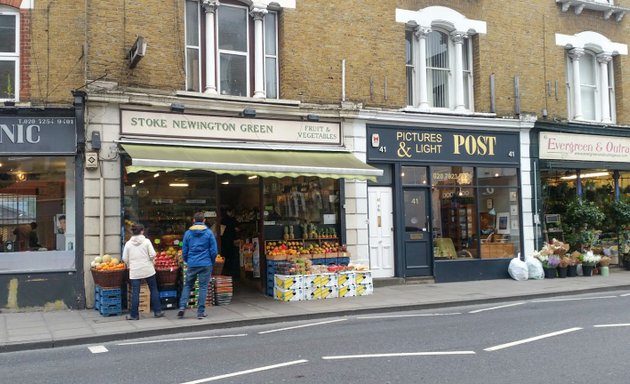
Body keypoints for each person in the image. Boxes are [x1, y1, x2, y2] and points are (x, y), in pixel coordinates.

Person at [178, 212, 218, 319]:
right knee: (203, 287)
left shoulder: (188, 233)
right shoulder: (209, 233)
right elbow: (214, 250)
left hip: (192, 263)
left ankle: (182, 307)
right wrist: (212, 261)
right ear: (204, 220)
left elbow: (184, 250)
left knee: (187, 285)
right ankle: (200, 312)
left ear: (193, 220)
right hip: (206, 263)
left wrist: (187, 260)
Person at [122, 223, 164, 320]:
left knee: (135, 292)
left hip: (135, 271)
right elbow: (153, 254)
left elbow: (124, 258)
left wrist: (129, 265)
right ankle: (157, 311)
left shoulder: (128, 244)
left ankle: (134, 315)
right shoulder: (147, 242)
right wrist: (151, 261)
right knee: (153, 289)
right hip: (148, 269)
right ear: (142, 231)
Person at [221, 207, 240, 279]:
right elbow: (236, 228)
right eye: (232, 212)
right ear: (228, 212)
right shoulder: (232, 220)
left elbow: (222, 231)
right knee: (231, 256)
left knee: (226, 256)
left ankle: (227, 270)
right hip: (231, 240)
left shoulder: (223, 220)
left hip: (224, 240)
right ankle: (231, 271)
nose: (232, 213)